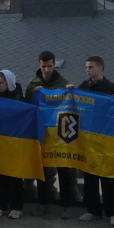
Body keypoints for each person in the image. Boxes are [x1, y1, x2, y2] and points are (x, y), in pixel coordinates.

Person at [25, 51, 75, 217]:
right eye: (43, 66)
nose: (46, 69)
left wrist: (71, 91)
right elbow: (27, 106)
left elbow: (70, 105)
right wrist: (33, 94)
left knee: (63, 171)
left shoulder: (63, 83)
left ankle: (66, 205)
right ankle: (43, 203)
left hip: (60, 133)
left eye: (49, 66)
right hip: (42, 133)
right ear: (39, 66)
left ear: (54, 65)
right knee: (42, 170)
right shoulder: (32, 84)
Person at [76, 56, 114, 225]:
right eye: (87, 67)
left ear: (100, 68)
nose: (87, 70)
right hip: (88, 138)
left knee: (108, 176)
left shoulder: (111, 88)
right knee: (89, 176)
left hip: (105, 137)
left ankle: (113, 212)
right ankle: (92, 209)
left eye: (90, 67)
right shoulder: (83, 87)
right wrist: (70, 92)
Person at [0, 70, 26, 219]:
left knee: (15, 176)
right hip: (1, 141)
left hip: (16, 141)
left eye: (1, 82)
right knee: (1, 175)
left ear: (8, 83)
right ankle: (1, 205)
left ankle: (16, 207)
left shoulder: (19, 97)